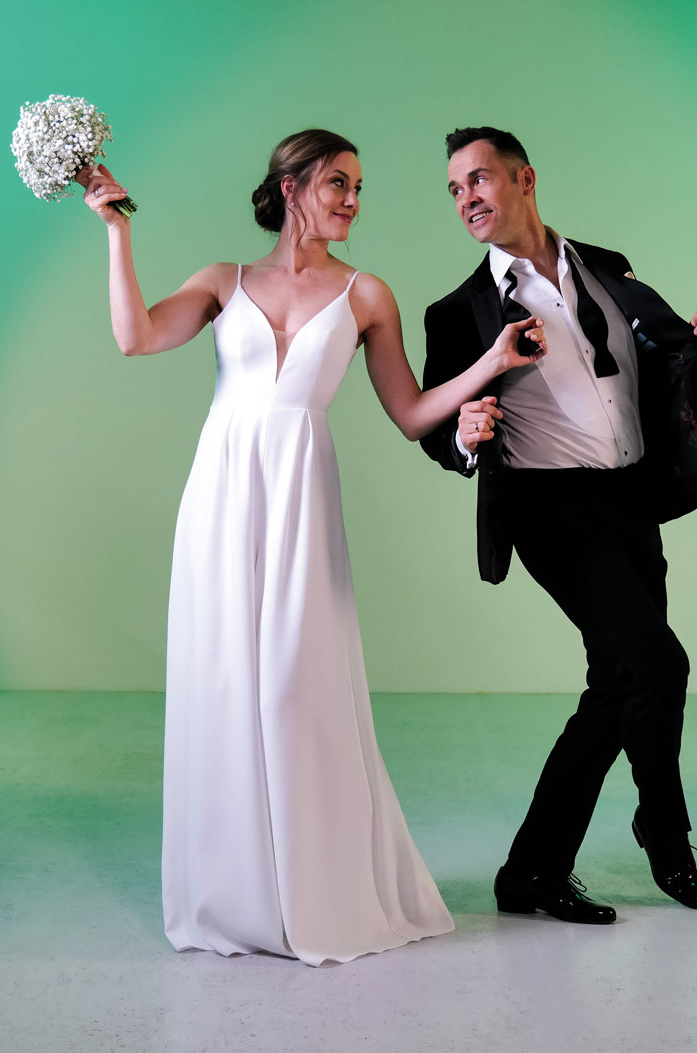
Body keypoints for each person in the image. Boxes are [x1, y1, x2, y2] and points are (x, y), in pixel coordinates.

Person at [78, 129, 548, 966]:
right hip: (223, 495)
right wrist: (117, 230)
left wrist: (491, 363)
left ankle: (315, 890)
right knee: (225, 682)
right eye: (338, 183)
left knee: (299, 687)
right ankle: (233, 894)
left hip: (301, 498)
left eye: (359, 188)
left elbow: (410, 412)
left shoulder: (368, 294)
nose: (353, 201)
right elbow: (136, 337)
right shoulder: (225, 281)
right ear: (291, 187)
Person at [420, 127, 697, 924]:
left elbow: (655, 356)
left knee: (622, 679)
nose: (468, 199)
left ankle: (531, 872)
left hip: (631, 497)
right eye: (456, 189)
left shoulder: (605, 266)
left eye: (480, 179)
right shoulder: (459, 310)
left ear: (525, 179)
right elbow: (436, 424)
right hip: (549, 508)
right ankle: (663, 829)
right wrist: (465, 433)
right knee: (658, 665)